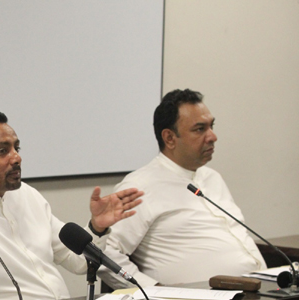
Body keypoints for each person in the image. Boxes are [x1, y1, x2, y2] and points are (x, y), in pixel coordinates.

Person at [0, 111, 143, 300]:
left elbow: (77, 261)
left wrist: (97, 228)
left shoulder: (26, 194)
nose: (16, 158)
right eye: (2, 151)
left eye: (17, 148)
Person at [100, 89, 265, 288]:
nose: (212, 136)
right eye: (200, 129)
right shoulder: (140, 187)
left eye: (211, 126)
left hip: (259, 290)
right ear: (169, 138)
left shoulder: (212, 177)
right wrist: (153, 292)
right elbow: (104, 252)